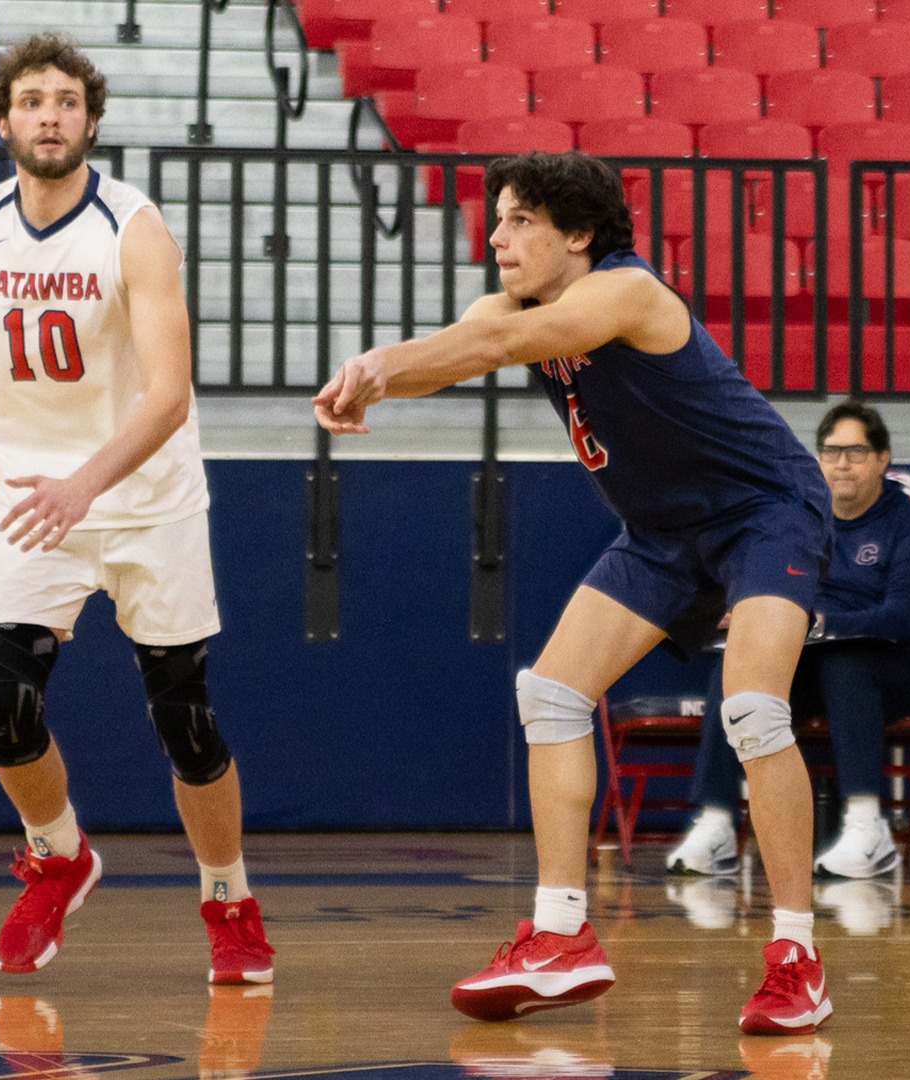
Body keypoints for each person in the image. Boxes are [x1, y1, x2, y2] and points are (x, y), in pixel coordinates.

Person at [313, 150, 833, 1036]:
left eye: (521, 220)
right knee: (551, 693)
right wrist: (376, 382)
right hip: (663, 532)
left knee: (752, 708)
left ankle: (797, 956)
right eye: (498, 219)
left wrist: (376, 362)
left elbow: (497, 346)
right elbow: (458, 353)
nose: (498, 237)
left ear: (580, 233)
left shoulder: (626, 294)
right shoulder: (514, 306)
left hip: (764, 512)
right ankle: (560, 936)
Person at [0, 35, 271, 984]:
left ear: (90, 120)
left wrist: (86, 485)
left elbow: (170, 396)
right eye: (32, 100)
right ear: (4, 120)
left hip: (147, 500)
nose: (49, 116)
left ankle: (229, 899)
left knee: (185, 720)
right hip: (36, 502)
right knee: (4, 705)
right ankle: (60, 853)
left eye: (67, 101)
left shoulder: (134, 228)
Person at [666, 400, 910, 881]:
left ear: (882, 459)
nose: (842, 464)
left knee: (847, 664)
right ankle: (715, 824)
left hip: (901, 667)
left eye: (856, 452)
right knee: (740, 670)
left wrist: (819, 623)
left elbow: (902, 618)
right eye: (831, 452)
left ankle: (867, 827)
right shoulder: (798, 521)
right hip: (812, 662)